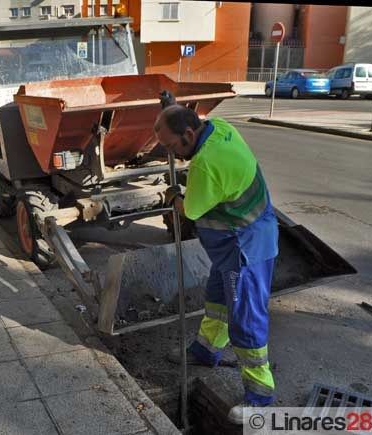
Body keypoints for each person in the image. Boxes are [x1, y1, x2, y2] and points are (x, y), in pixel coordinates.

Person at [155, 104, 279, 424]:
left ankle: (260, 394)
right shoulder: (218, 127)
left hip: (245, 247)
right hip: (237, 240)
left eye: (171, 147)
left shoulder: (206, 164)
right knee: (217, 300)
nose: (172, 154)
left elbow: (189, 211)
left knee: (245, 316)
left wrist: (172, 196)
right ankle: (206, 351)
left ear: (188, 134)